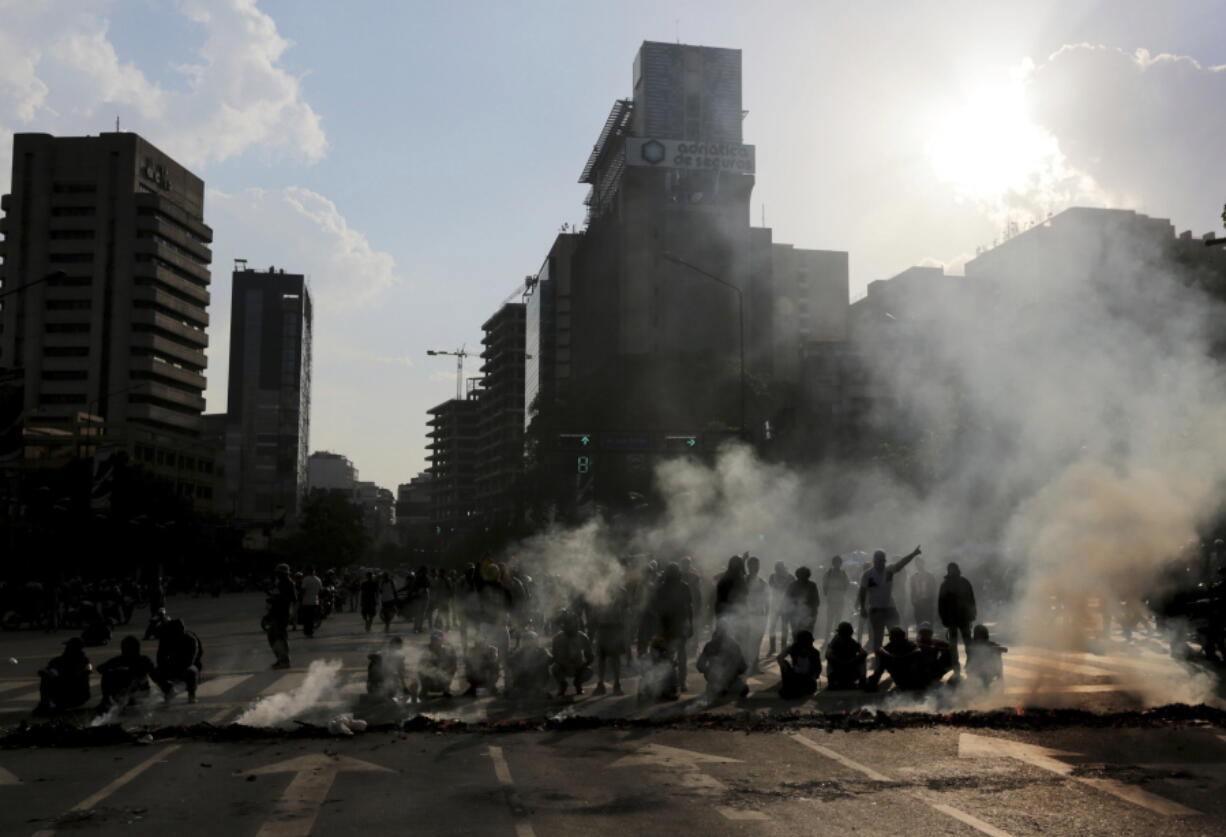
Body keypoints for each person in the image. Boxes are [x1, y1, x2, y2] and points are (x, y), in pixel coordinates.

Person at [858, 546, 922, 677]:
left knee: (898, 637)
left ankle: (898, 665)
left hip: (890, 609)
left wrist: (913, 554)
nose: (880, 562)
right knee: (877, 640)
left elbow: (902, 563)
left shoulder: (889, 570)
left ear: (885, 560)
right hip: (875, 610)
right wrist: (863, 608)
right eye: (878, 560)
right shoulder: (868, 574)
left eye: (882, 560)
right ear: (874, 560)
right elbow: (862, 591)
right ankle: (879, 667)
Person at [650, 563, 694, 691]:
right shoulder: (683, 587)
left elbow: (656, 609)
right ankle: (678, 681)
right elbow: (689, 607)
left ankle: (674, 681)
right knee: (679, 654)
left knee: (670, 654)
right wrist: (690, 624)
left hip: (670, 625)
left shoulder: (663, 588)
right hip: (676, 625)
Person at [96, 635, 156, 716]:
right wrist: (119, 671)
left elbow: (152, 672)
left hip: (139, 692)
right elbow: (100, 668)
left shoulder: (143, 660)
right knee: (107, 674)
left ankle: (127, 701)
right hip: (123, 691)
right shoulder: (120, 660)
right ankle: (108, 700)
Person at [34, 637, 92, 715]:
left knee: (46, 678)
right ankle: (47, 705)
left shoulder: (82, 661)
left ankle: (45, 705)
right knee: (46, 676)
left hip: (74, 695)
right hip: (77, 695)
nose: (66, 649)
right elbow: (45, 670)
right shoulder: (84, 661)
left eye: (68, 647)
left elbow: (81, 675)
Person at [938, 562, 977, 674]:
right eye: (950, 569)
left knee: (967, 642)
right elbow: (941, 603)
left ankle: (970, 664)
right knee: (954, 644)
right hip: (952, 619)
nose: (952, 571)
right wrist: (943, 618)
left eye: (953, 569)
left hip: (963, 617)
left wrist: (972, 614)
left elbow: (971, 599)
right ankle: (956, 666)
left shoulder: (963, 582)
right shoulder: (946, 584)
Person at [591, 585, 629, 696]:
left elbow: (624, 611)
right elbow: (595, 613)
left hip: (614, 628)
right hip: (604, 628)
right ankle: (602, 684)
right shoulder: (600, 591)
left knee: (614, 658)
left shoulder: (621, 591)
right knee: (603, 658)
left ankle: (616, 684)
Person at [154, 618, 202, 703]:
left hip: (188, 664)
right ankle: (169, 690)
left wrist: (174, 667)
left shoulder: (190, 639)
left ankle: (192, 694)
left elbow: (190, 661)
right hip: (173, 664)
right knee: (155, 672)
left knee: (192, 671)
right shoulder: (166, 639)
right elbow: (160, 658)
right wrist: (166, 668)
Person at [696, 625, 749, 699]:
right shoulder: (734, 645)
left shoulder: (709, 645)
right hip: (731, 678)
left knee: (717, 686)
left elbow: (700, 665)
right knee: (742, 688)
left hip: (714, 677)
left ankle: (718, 687)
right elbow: (743, 666)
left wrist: (707, 671)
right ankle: (725, 687)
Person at [550, 614, 594, 697]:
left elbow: (590, 656)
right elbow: (554, 656)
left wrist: (582, 665)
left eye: (574, 624)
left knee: (589, 671)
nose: (571, 627)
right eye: (568, 624)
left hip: (578, 666)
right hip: (563, 666)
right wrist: (564, 664)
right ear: (564, 626)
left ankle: (578, 683)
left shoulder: (582, 637)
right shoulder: (557, 638)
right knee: (555, 669)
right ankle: (562, 685)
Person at [872, 627, 925, 691]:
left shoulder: (909, 645)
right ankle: (873, 683)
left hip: (912, 678)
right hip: (900, 679)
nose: (891, 639)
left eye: (892, 637)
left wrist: (901, 657)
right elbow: (881, 651)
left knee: (918, 658)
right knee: (883, 658)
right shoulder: (891, 646)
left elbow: (918, 650)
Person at [776, 629, 822, 699]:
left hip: (807, 681)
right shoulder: (794, 648)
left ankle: (791, 688)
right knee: (785, 663)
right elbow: (779, 658)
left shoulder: (814, 653)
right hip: (797, 677)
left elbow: (817, 671)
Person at [265, 564, 295, 670]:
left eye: (278, 573)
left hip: (281, 614)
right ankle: (280, 659)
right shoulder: (281, 583)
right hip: (277, 613)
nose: (277, 575)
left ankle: (284, 661)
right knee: (273, 636)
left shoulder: (286, 583)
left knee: (279, 637)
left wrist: (274, 599)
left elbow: (286, 599)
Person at [824, 622, 868, 691]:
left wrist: (852, 661)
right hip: (838, 672)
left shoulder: (853, 642)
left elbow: (864, 653)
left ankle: (862, 681)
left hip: (850, 672)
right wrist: (839, 662)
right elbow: (828, 654)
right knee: (829, 662)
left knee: (862, 660)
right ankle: (831, 683)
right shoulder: (835, 642)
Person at [508, 631, 553, 698]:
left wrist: (536, 665)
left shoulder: (542, 650)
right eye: (526, 639)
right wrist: (520, 665)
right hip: (524, 676)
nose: (528, 641)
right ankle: (520, 688)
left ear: (535, 640)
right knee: (515, 668)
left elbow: (550, 659)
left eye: (531, 639)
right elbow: (510, 661)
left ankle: (539, 689)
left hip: (538, 677)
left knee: (542, 668)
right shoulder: (520, 652)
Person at [367, 635, 412, 702]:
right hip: (380, 687)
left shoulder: (380, 653)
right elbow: (400, 675)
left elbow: (370, 657)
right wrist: (404, 688)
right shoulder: (398, 657)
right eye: (400, 645)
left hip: (374, 687)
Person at [744, 557, 769, 673]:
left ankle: (754, 665)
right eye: (753, 565)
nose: (756, 568)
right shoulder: (744, 581)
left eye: (757, 565)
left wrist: (766, 614)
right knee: (748, 642)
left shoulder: (762, 582)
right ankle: (747, 665)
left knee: (757, 641)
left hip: (759, 615)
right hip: (748, 615)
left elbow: (767, 599)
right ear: (748, 567)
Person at [965, 624, 1007, 688]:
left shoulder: (972, 645)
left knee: (997, 655)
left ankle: (999, 679)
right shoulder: (972, 645)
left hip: (983, 672)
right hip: (977, 672)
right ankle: (1000, 679)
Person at [420, 630, 458, 697]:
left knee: (453, 667)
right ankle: (424, 689)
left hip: (443, 676)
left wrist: (446, 671)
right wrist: (433, 671)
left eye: (437, 640)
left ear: (441, 640)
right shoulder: (425, 649)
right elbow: (421, 665)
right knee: (421, 670)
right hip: (430, 677)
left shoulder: (446, 649)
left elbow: (453, 663)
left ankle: (446, 689)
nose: (436, 642)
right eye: (434, 639)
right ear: (431, 640)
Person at [785, 567, 819, 641]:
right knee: (796, 636)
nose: (803, 577)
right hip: (795, 615)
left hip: (808, 615)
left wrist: (813, 614)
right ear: (798, 575)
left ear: (808, 575)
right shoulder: (792, 585)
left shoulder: (812, 585)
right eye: (801, 575)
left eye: (804, 575)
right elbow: (787, 600)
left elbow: (816, 601)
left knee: (807, 636)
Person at [915, 622, 953, 687]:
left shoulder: (936, 642)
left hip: (934, 669)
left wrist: (944, 649)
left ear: (931, 633)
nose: (925, 634)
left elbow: (949, 647)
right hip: (920, 671)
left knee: (950, 654)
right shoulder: (915, 644)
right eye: (923, 632)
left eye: (927, 632)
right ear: (920, 634)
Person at [822, 557, 849, 641]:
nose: (838, 564)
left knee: (838, 620)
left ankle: (836, 638)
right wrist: (827, 595)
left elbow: (847, 584)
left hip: (840, 599)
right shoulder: (829, 573)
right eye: (836, 562)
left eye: (839, 562)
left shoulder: (843, 573)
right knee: (829, 620)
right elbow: (824, 585)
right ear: (833, 563)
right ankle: (827, 638)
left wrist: (842, 591)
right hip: (831, 600)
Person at [767, 561, 792, 654]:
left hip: (785, 605)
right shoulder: (772, 577)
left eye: (779, 568)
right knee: (772, 627)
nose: (777, 570)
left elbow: (793, 589)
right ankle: (772, 647)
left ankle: (783, 648)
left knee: (784, 627)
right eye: (777, 568)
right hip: (775, 605)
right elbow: (770, 589)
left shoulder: (789, 577)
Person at [909, 557, 937, 631]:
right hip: (917, 603)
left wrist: (933, 601)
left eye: (920, 563)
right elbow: (912, 590)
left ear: (923, 564)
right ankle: (920, 638)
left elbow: (934, 589)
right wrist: (913, 600)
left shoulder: (930, 576)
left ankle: (929, 637)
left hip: (928, 601)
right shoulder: (913, 577)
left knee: (929, 622)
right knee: (919, 622)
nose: (918, 565)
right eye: (917, 564)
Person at [299, 566, 322, 638]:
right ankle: (311, 632)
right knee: (312, 618)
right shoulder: (318, 580)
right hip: (315, 601)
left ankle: (307, 632)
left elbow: (303, 590)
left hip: (306, 601)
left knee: (306, 617)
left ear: (308, 571)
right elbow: (320, 591)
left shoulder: (306, 579)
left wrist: (300, 598)